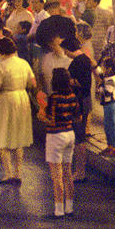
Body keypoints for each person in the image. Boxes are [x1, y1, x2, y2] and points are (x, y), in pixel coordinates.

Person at [0, 36, 36, 185]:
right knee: (18, 137)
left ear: (1, 51)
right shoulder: (24, 63)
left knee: (3, 136)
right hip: (22, 98)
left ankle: (8, 174)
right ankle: (18, 173)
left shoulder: (1, 66)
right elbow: (32, 83)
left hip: (5, 101)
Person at [38, 67, 78, 219]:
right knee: (68, 173)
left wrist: (41, 113)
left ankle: (58, 210)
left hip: (56, 136)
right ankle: (69, 207)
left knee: (57, 176)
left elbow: (51, 120)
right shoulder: (73, 96)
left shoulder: (54, 98)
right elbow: (77, 117)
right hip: (70, 134)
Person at [67, 35, 93, 182]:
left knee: (79, 137)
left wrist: (67, 80)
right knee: (78, 136)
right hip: (83, 102)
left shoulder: (78, 61)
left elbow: (82, 83)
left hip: (80, 103)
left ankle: (80, 171)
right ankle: (78, 170)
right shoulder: (84, 59)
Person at [97, 57, 115, 158]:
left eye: (104, 66)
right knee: (107, 126)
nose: (102, 68)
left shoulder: (112, 80)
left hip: (111, 105)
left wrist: (100, 88)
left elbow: (107, 92)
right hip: (107, 105)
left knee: (111, 126)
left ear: (109, 68)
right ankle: (110, 146)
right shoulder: (108, 78)